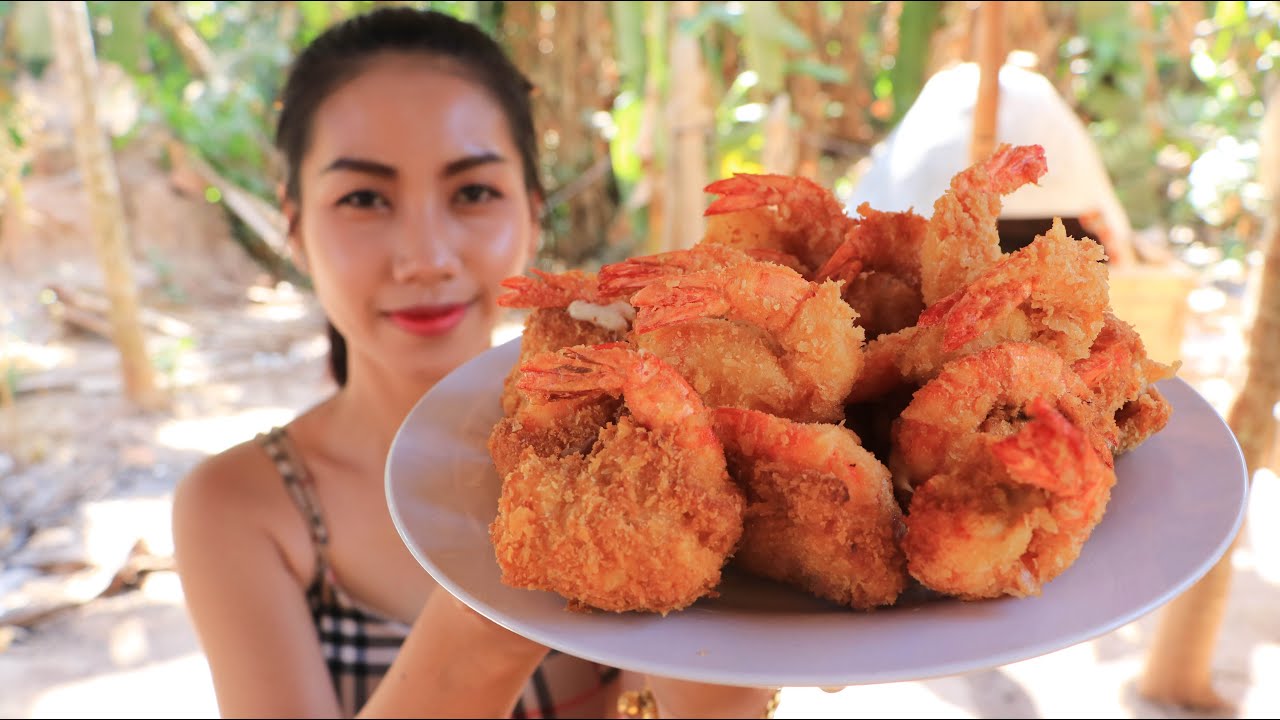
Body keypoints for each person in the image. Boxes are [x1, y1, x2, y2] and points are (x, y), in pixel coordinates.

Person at [170, 7, 781, 719]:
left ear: (531, 211)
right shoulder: (242, 509)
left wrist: (730, 662)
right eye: (364, 198)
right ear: (296, 226)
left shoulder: (652, 443)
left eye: (472, 192)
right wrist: (489, 614)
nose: (426, 257)